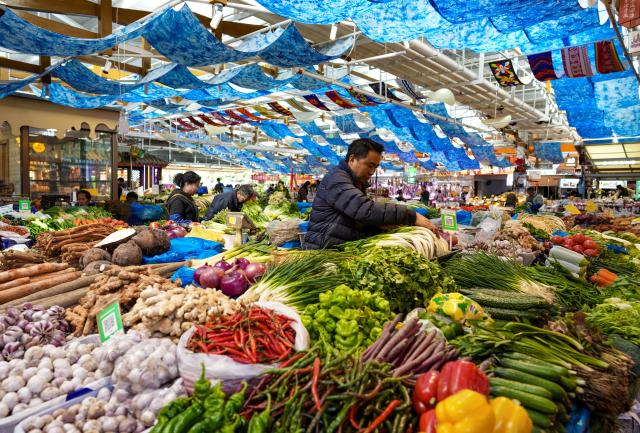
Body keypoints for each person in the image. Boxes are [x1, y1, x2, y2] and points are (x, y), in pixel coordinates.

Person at [304, 138, 437, 249]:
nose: (372, 171)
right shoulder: (337, 179)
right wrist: (411, 215)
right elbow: (363, 209)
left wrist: (379, 226)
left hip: (336, 248)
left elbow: (354, 219)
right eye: (369, 165)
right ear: (352, 159)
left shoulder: (355, 182)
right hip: (323, 251)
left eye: (375, 167)